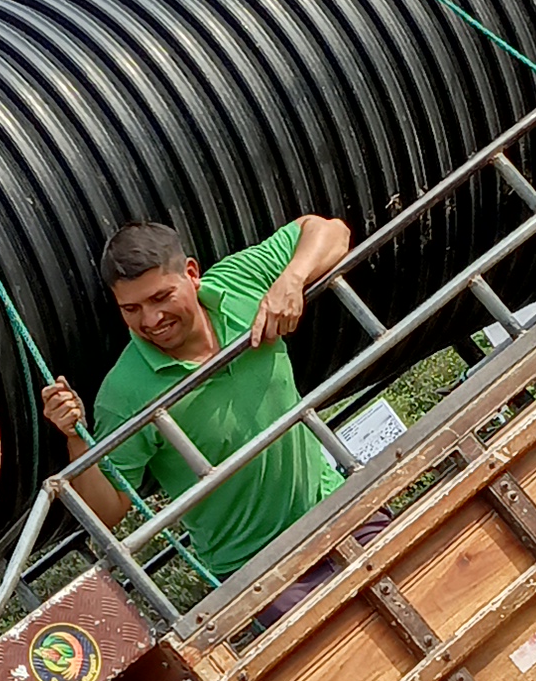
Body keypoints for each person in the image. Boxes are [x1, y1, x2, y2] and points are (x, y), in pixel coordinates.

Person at [38, 210, 355, 594]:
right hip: (258, 573)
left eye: (160, 297)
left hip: (341, 506)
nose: (151, 319)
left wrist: (293, 279)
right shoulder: (124, 393)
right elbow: (107, 511)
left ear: (191, 273)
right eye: (131, 309)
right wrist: (75, 437)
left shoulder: (239, 283)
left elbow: (330, 231)